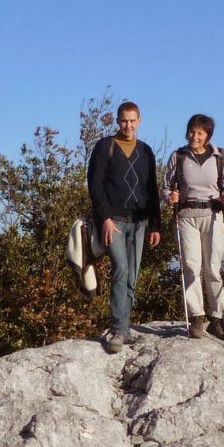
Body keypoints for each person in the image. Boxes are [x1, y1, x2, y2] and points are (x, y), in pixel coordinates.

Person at [87, 101, 162, 353]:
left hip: (139, 222)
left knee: (132, 275)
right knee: (120, 269)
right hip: (114, 222)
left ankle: (126, 327)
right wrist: (105, 218)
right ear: (116, 121)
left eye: (132, 121)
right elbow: (95, 185)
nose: (127, 126)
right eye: (123, 121)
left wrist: (155, 224)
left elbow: (152, 190)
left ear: (140, 121)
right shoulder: (105, 147)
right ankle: (118, 329)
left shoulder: (146, 151)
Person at [163, 114, 224, 340]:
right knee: (191, 267)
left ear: (208, 136)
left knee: (213, 267)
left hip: (213, 215)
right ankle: (196, 317)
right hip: (186, 216)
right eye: (192, 131)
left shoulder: (220, 156)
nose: (195, 136)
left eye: (200, 133)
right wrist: (169, 197)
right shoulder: (179, 156)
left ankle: (217, 318)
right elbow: (165, 187)